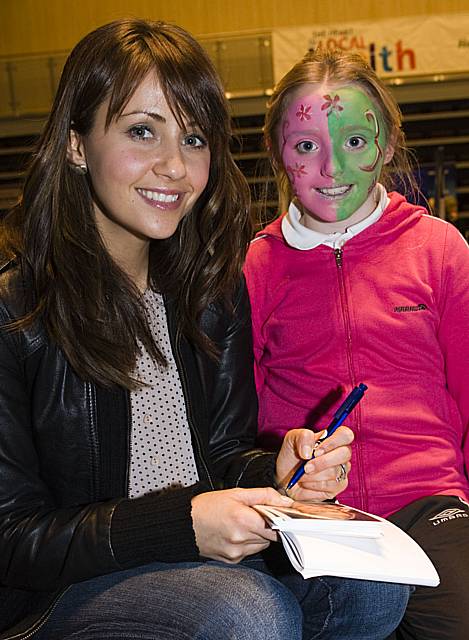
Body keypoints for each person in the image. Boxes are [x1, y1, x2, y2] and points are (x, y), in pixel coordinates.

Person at [0, 20, 409, 640]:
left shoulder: (211, 290)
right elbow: (12, 536)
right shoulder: (17, 311)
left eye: (193, 138)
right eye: (143, 131)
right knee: (246, 614)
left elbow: (221, 454)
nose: (174, 167)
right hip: (62, 591)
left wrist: (278, 469)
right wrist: (181, 523)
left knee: (373, 583)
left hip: (199, 556)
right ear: (77, 144)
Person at [244, 48, 469, 640]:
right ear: (278, 153)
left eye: (352, 141)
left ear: (387, 145)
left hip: (427, 498)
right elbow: (239, 411)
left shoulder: (438, 248)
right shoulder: (253, 267)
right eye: (306, 145)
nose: (329, 167)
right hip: (306, 512)